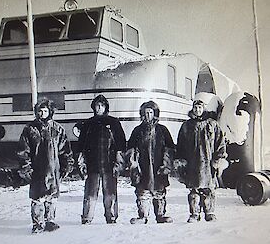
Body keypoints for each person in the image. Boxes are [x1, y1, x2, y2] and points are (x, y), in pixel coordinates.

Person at [17, 98, 74, 233]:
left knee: (52, 197)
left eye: (45, 111)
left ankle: (50, 221)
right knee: (37, 198)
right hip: (36, 171)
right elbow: (23, 151)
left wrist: (66, 167)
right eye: (40, 111)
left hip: (53, 170)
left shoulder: (57, 129)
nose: (42, 114)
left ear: (50, 112)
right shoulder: (30, 130)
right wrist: (27, 169)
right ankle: (37, 224)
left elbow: (65, 150)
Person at [175, 99, 228, 223]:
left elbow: (220, 144)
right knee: (194, 190)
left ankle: (209, 213)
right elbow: (180, 145)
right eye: (195, 108)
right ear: (192, 109)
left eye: (200, 108)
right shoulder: (186, 126)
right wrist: (181, 161)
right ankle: (194, 214)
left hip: (208, 164)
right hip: (192, 163)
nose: (197, 110)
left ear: (203, 109)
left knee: (208, 189)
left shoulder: (212, 124)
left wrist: (216, 160)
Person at [77, 94, 126, 224]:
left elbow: (121, 144)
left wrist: (118, 163)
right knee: (90, 193)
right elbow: (81, 146)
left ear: (106, 107)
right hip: (92, 164)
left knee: (110, 193)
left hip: (109, 165)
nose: (99, 108)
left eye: (102, 106)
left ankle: (111, 217)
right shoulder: (88, 124)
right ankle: (87, 217)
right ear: (93, 107)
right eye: (97, 106)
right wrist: (82, 163)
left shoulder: (114, 123)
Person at [127, 101, 175, 224]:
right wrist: (134, 165)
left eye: (150, 112)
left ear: (155, 113)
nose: (148, 115)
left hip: (158, 166)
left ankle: (160, 215)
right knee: (142, 191)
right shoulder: (138, 130)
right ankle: (143, 216)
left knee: (159, 191)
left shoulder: (162, 130)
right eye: (146, 113)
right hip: (143, 166)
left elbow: (169, 148)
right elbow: (131, 148)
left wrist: (166, 165)